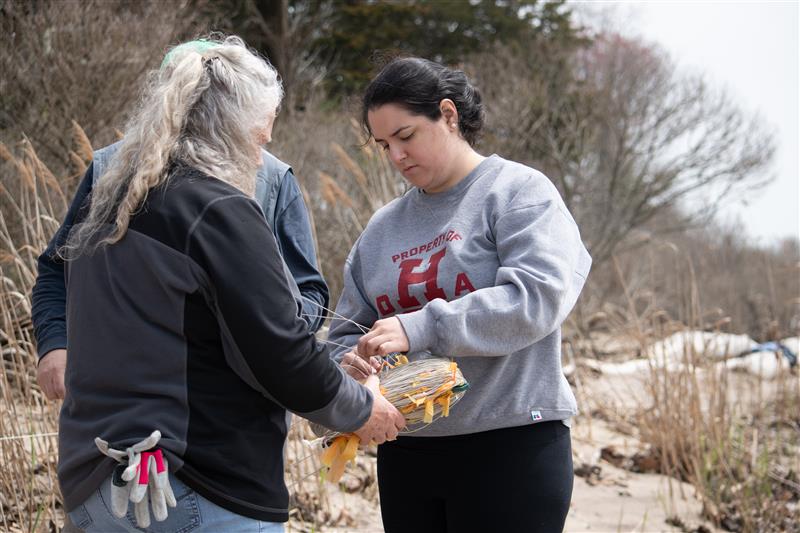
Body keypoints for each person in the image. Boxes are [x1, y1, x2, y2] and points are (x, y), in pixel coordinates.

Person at [56, 36, 405, 532]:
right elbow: (277, 351)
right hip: (192, 485)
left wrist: (329, 369)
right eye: (259, 141)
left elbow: (199, 340)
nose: (262, 161)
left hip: (98, 485)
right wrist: (359, 407)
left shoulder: (113, 205)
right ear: (229, 130)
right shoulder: (216, 211)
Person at [327, 57, 592, 533]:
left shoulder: (517, 192)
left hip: (513, 443)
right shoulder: (382, 228)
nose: (396, 157)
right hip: (407, 452)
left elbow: (538, 299)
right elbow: (343, 333)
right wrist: (347, 376)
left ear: (448, 115)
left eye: (406, 137)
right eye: (384, 145)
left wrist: (420, 326)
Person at [31, 46, 328, 403]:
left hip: (237, 411)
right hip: (114, 400)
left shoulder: (273, 178)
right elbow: (55, 268)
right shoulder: (112, 169)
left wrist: (273, 332)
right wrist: (53, 345)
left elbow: (310, 293)